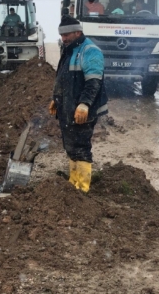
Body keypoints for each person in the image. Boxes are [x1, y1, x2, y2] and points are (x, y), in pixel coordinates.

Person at [48, 15, 108, 193]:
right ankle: (73, 182)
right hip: (67, 108)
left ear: (78, 32)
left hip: (82, 110)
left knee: (81, 147)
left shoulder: (90, 51)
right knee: (70, 145)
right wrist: (56, 98)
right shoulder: (69, 50)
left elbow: (93, 82)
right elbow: (63, 79)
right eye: (62, 35)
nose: (63, 38)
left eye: (67, 35)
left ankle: (82, 188)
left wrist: (84, 104)